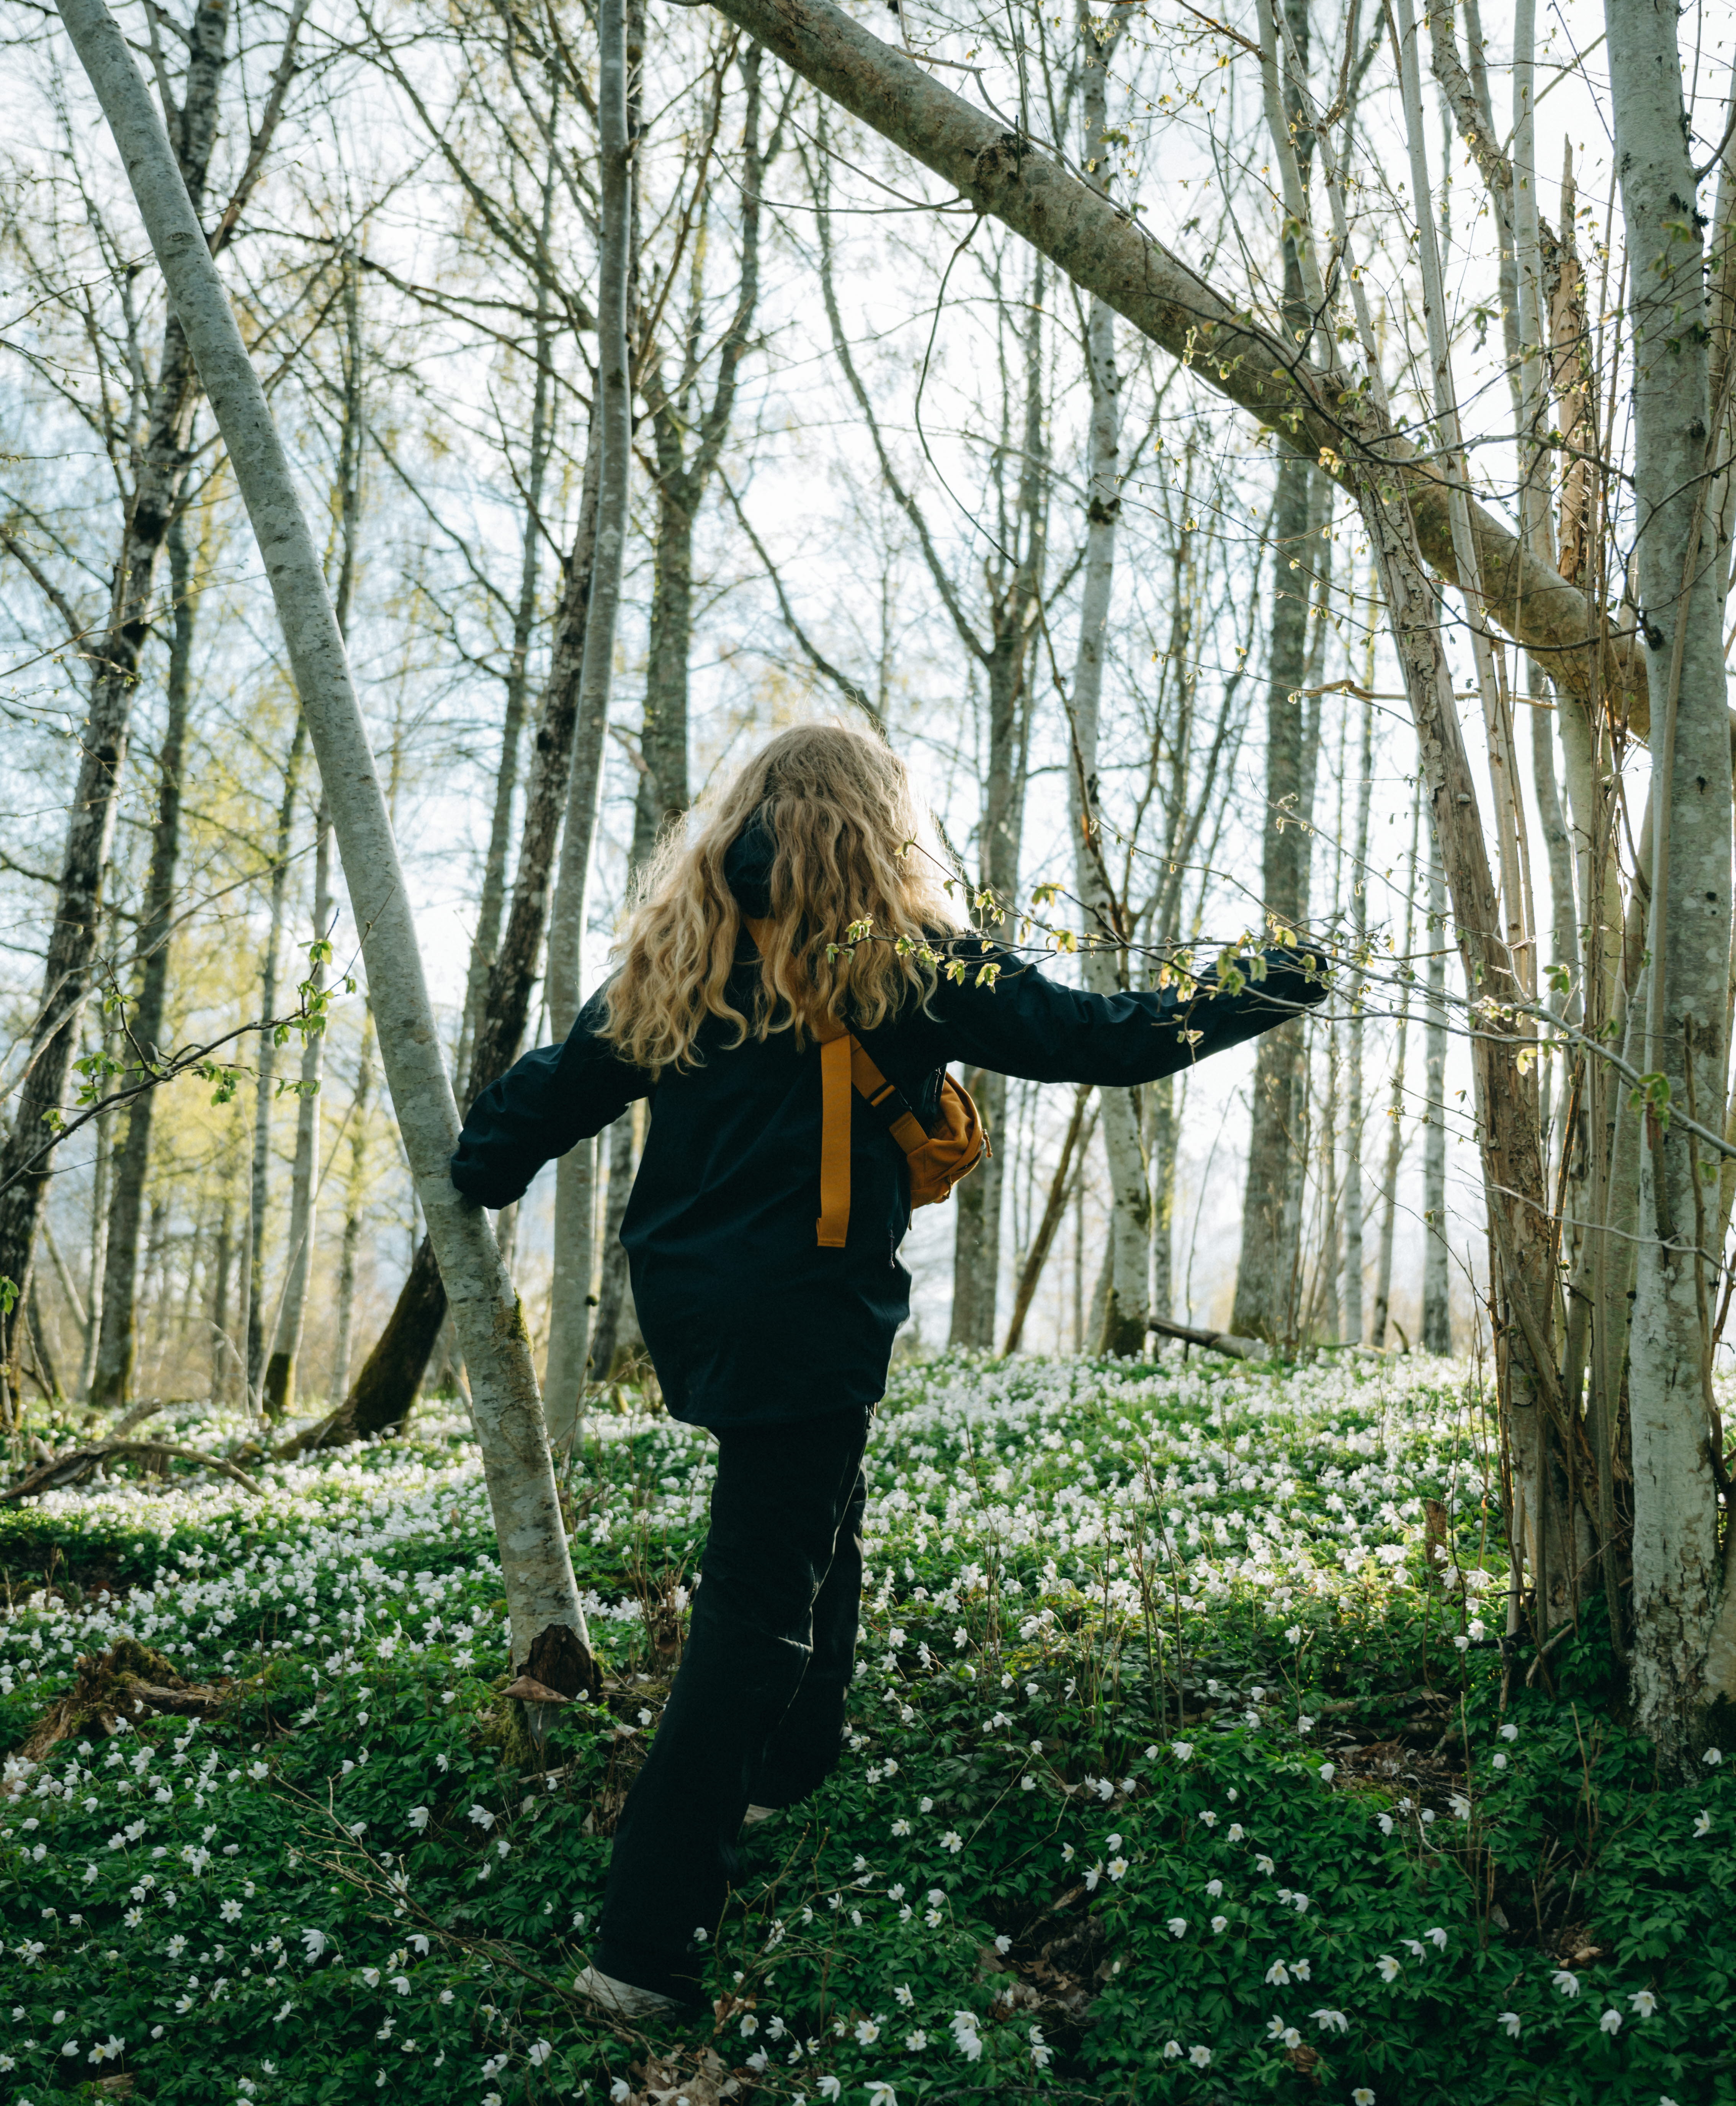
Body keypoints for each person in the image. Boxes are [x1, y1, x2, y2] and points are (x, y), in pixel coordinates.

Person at [450, 721, 1323, 2016]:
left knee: (821, 1518)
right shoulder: (903, 958)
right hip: (809, 1314)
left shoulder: (686, 949)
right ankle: (642, 1949)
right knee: (754, 1614)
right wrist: (1280, 976)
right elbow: (1105, 1036)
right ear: (877, 826)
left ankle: (791, 1768)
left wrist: (481, 1164)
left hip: (693, 1310)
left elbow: (558, 1086)